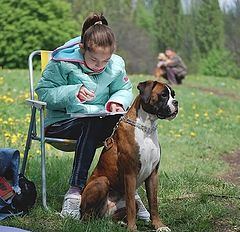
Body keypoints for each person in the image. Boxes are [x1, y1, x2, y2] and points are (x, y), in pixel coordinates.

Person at [35, 12, 150, 221]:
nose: (99, 65)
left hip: (97, 124)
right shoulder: (63, 62)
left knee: (123, 124)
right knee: (90, 122)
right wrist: (73, 92)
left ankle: (127, 193)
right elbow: (43, 92)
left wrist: (116, 102)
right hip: (61, 123)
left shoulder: (115, 64)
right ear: (82, 50)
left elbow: (123, 89)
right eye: (93, 59)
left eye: (105, 60)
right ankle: (75, 191)